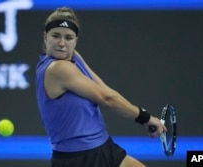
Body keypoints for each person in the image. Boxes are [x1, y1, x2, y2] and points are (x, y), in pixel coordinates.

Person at [36, 7, 166, 167]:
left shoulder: (74, 56)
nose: (62, 43)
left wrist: (145, 117)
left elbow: (104, 90)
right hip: (79, 160)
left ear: (75, 40)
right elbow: (106, 99)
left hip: (104, 147)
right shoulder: (58, 69)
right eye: (56, 36)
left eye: (68, 38)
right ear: (45, 37)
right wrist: (145, 117)